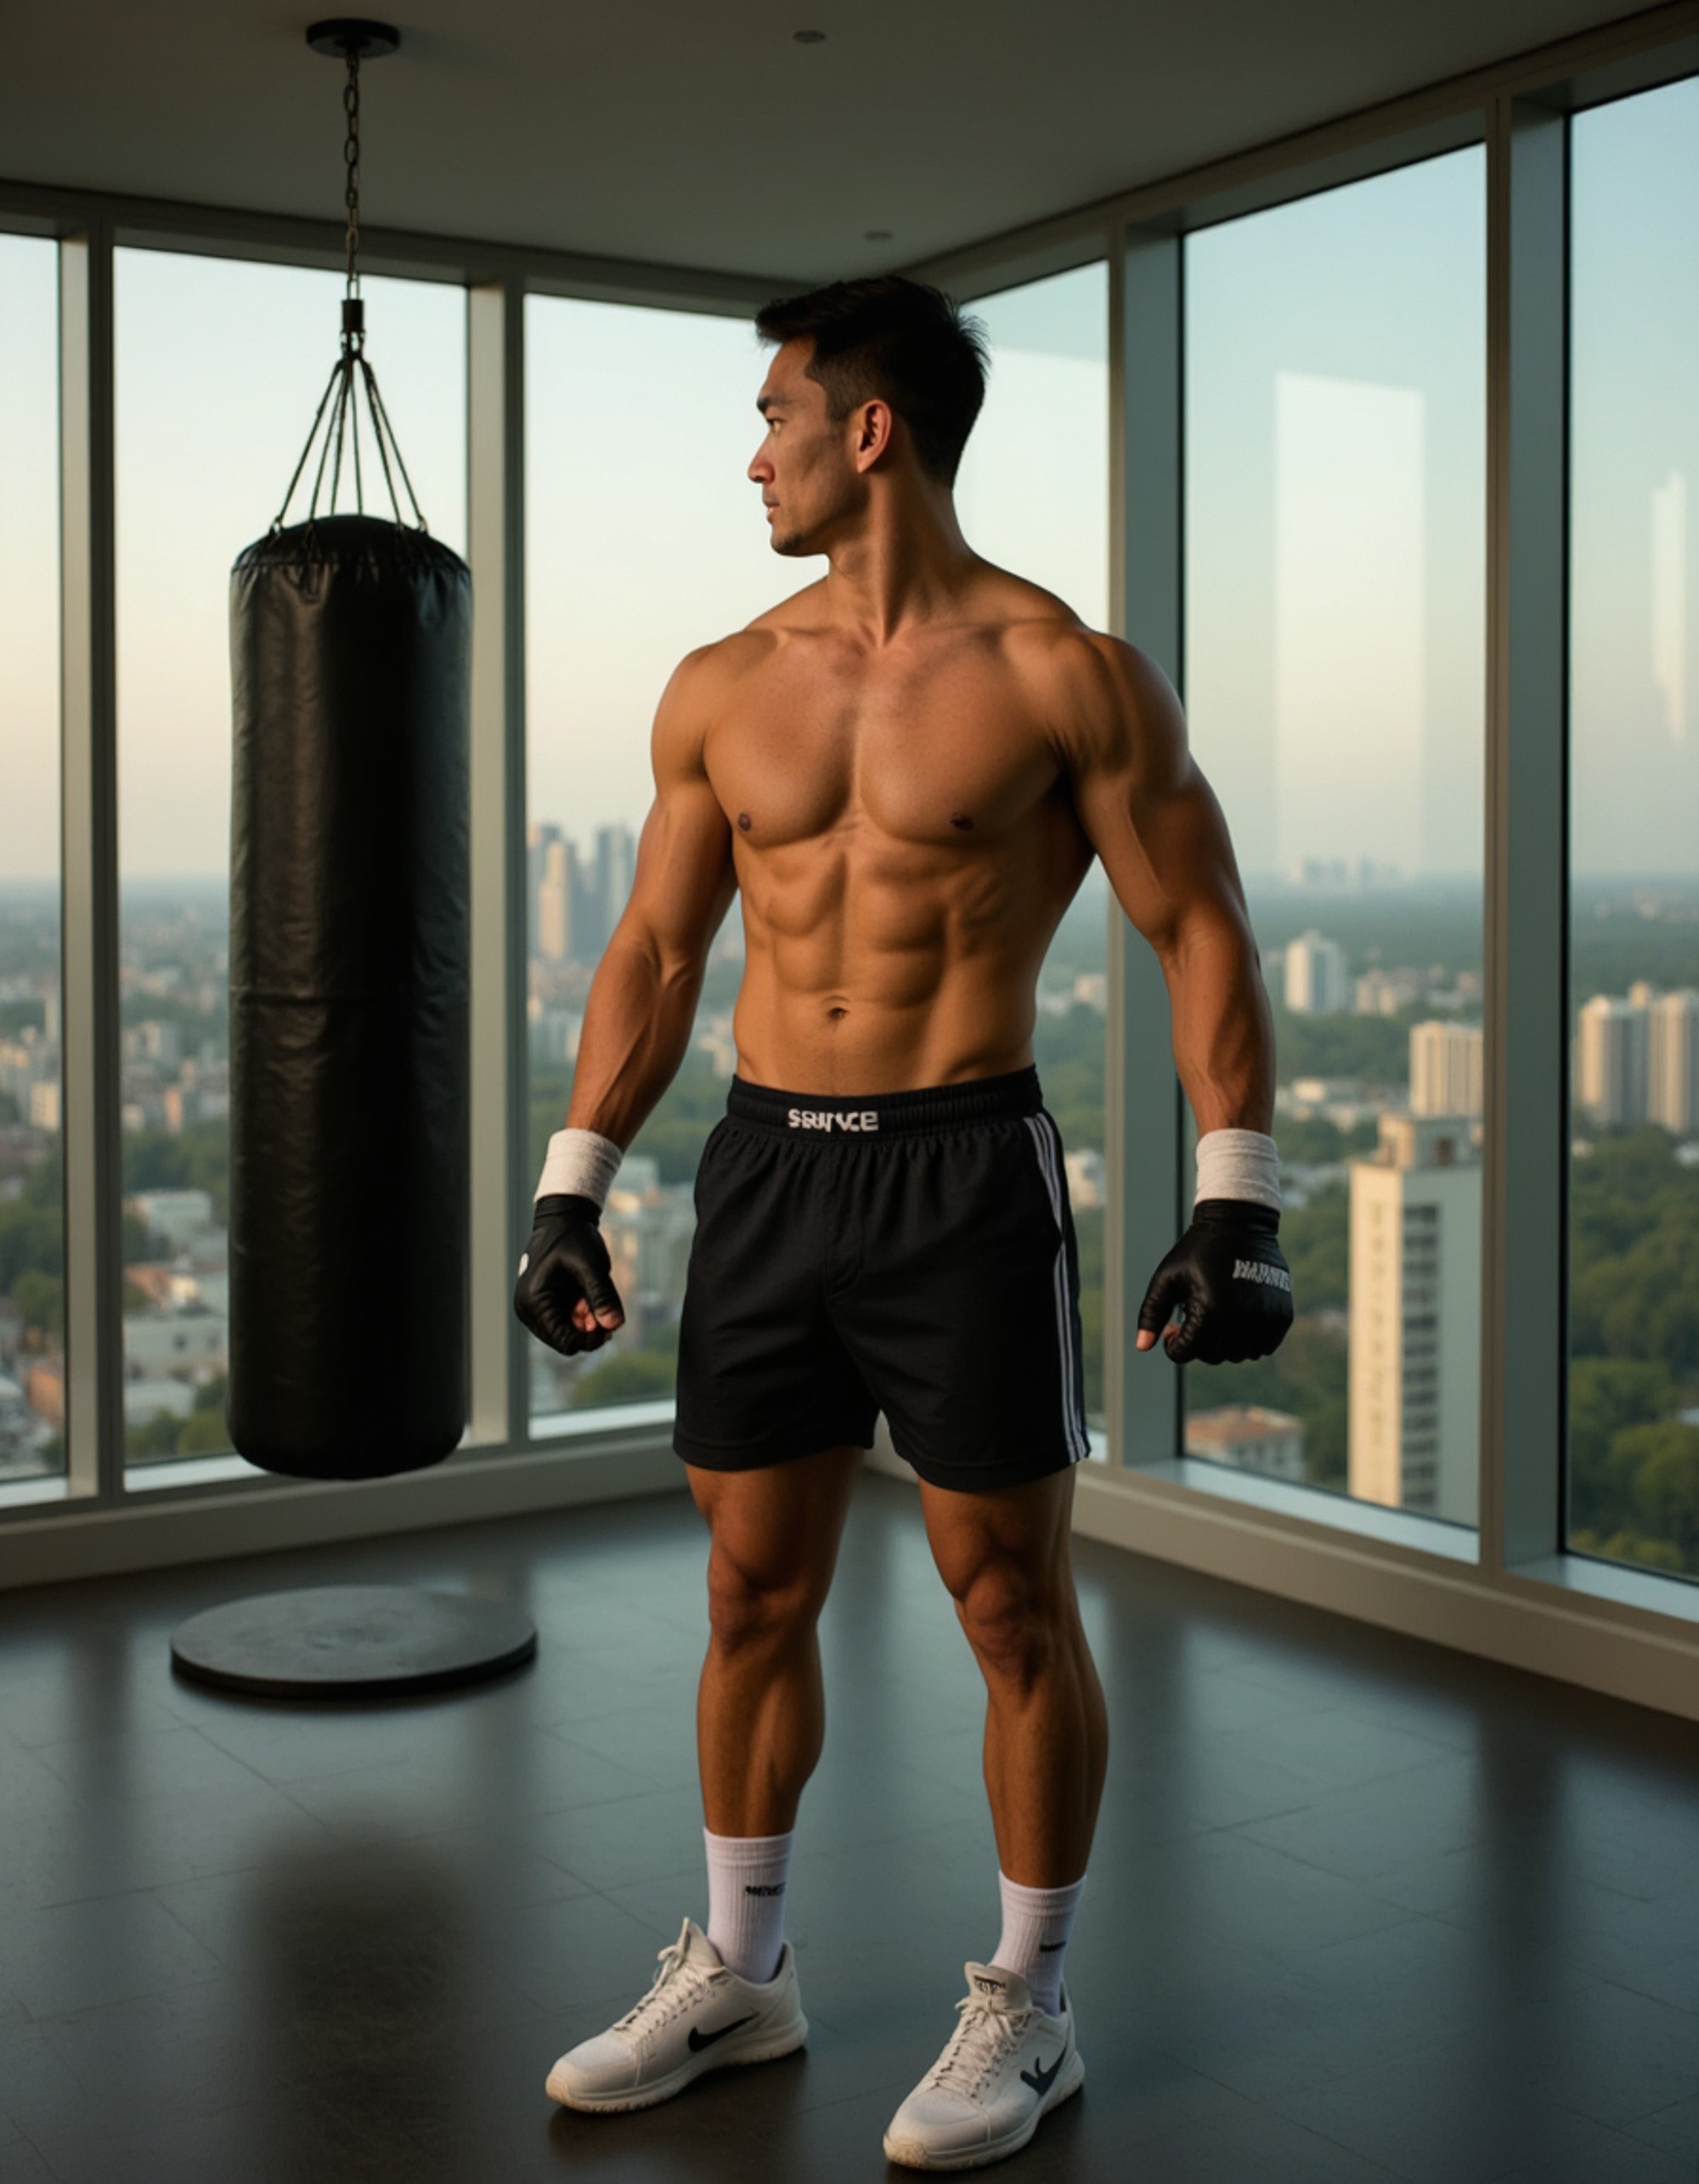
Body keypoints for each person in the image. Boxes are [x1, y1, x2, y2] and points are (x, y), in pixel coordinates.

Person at [514, 274, 1292, 2172]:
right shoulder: (721, 681)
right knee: (745, 1588)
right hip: (771, 1170)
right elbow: (658, 945)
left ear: (868, 430)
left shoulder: (1061, 672)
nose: (752, 451)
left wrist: (1237, 1197)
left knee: (1010, 1603)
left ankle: (1027, 2000)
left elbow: (1196, 919)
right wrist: (572, 1177)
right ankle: (743, 1967)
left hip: (961, 1170)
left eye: (776, 412)